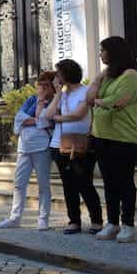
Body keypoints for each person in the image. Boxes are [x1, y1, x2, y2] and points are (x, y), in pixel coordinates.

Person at [88, 37, 137, 243]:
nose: (101, 54)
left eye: (103, 51)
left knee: (125, 183)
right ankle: (112, 223)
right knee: (109, 183)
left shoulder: (131, 75)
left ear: (114, 52)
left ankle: (128, 224)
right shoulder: (108, 76)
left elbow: (118, 102)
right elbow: (89, 98)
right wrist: (99, 77)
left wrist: (100, 101)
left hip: (123, 137)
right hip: (102, 136)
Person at [42, 59, 103, 235]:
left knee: (85, 183)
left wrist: (60, 118)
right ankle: (74, 221)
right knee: (68, 185)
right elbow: (48, 115)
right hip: (59, 145)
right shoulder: (63, 94)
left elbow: (79, 114)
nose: (57, 77)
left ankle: (97, 220)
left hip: (81, 144)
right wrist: (58, 94)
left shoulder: (85, 92)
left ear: (67, 74)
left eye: (59, 74)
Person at [0, 71, 55, 230]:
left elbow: (46, 121)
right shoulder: (31, 100)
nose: (42, 87)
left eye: (46, 85)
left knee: (43, 184)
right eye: (40, 84)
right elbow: (19, 118)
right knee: (19, 183)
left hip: (42, 147)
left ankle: (43, 220)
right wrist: (38, 121)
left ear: (52, 87)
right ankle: (15, 217)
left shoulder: (54, 103)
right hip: (25, 146)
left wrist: (38, 116)